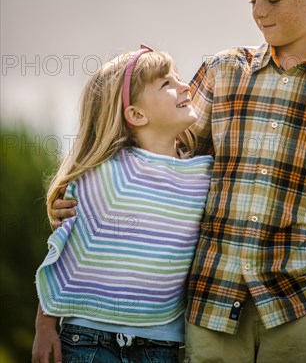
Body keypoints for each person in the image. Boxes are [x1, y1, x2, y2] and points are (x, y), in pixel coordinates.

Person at [52, 0, 306, 363]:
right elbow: (158, 150)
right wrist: (85, 192)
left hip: (302, 297)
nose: (258, 11)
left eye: (272, 0)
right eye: (252, 0)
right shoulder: (222, 71)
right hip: (212, 298)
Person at [32, 45, 213, 363]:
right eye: (166, 84)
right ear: (137, 115)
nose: (185, 87)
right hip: (88, 339)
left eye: (177, 78)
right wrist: (44, 326)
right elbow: (65, 255)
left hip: (161, 343)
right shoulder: (107, 176)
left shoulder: (204, 175)